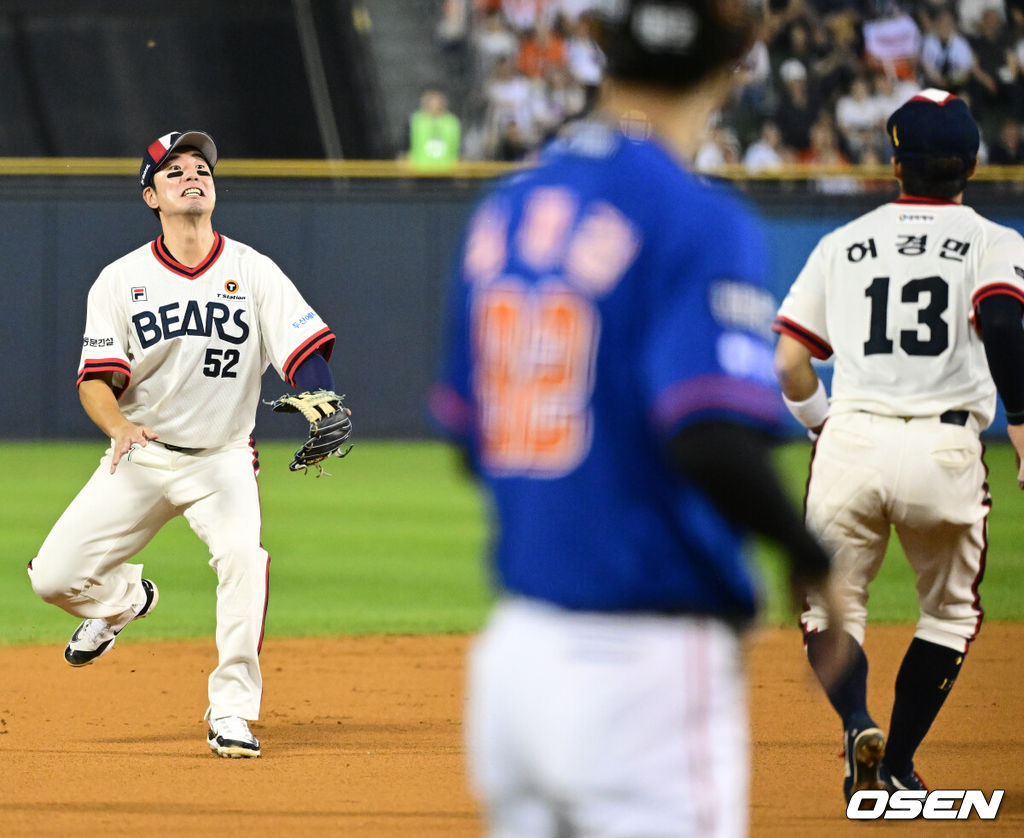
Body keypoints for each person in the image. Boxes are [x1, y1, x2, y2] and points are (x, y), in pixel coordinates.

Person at [430, 2, 847, 834]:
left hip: (516, 657)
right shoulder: (696, 215)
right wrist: (808, 555)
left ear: (599, 53)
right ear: (735, 68)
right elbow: (709, 437)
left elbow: (469, 440)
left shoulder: (507, 208)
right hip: (646, 666)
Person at [27, 130, 340, 759]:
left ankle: (231, 711)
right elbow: (95, 382)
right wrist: (118, 428)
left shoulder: (253, 271)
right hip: (140, 454)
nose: (193, 176)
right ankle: (125, 601)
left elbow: (304, 352)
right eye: (175, 172)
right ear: (152, 196)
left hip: (222, 460)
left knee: (244, 560)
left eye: (201, 168)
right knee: (54, 580)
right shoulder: (121, 280)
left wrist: (323, 400)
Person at [773, 89, 1024, 803]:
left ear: (893, 163)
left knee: (830, 609)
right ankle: (899, 768)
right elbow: (1005, 327)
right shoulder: (995, 241)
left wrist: (825, 424)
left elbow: (790, 363)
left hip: (852, 438)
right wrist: (1023, 429)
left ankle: (857, 721)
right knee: (948, 615)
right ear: (973, 165)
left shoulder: (841, 243)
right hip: (946, 449)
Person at [406, 88, 462, 168]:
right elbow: (406, 144)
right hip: (419, 170)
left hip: (447, 170)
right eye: (431, 99)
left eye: (437, 99)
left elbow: (458, 147)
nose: (434, 103)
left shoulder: (452, 122)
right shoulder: (415, 120)